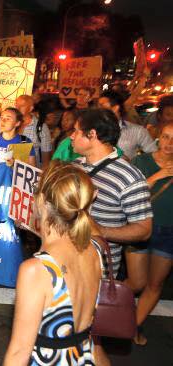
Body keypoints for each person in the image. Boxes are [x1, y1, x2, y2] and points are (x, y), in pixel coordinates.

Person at [4, 162, 102, 365]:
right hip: (83, 356)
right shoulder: (95, 250)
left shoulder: (37, 270)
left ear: (41, 201)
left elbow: (19, 353)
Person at [70, 108, 153, 281]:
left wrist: (101, 231)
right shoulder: (75, 166)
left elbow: (144, 230)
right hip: (65, 263)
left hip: (97, 273)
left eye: (76, 131)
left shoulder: (129, 177)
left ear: (91, 134)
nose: (71, 136)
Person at [131, 122, 173, 346]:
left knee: (155, 284)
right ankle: (102, 308)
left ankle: (132, 327)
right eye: (166, 137)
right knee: (137, 282)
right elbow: (133, 193)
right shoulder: (142, 161)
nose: (169, 143)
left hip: (169, 231)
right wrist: (158, 176)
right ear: (158, 137)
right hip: (140, 227)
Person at [98, 90, 156, 160]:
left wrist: (135, 164)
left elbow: (153, 154)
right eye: (98, 105)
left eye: (102, 105)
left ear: (115, 108)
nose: (98, 109)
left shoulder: (137, 131)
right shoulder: (92, 128)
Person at [0, 107, 36, 172]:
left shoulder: (25, 142)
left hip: (12, 180)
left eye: (8, 119)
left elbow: (32, 168)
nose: (3, 121)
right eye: (1, 117)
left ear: (17, 123)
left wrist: (15, 164)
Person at [16, 95, 52, 168]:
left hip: (30, 172)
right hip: (11, 170)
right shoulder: (12, 123)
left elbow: (46, 158)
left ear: (30, 108)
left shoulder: (41, 127)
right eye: (16, 105)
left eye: (22, 106)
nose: (17, 108)